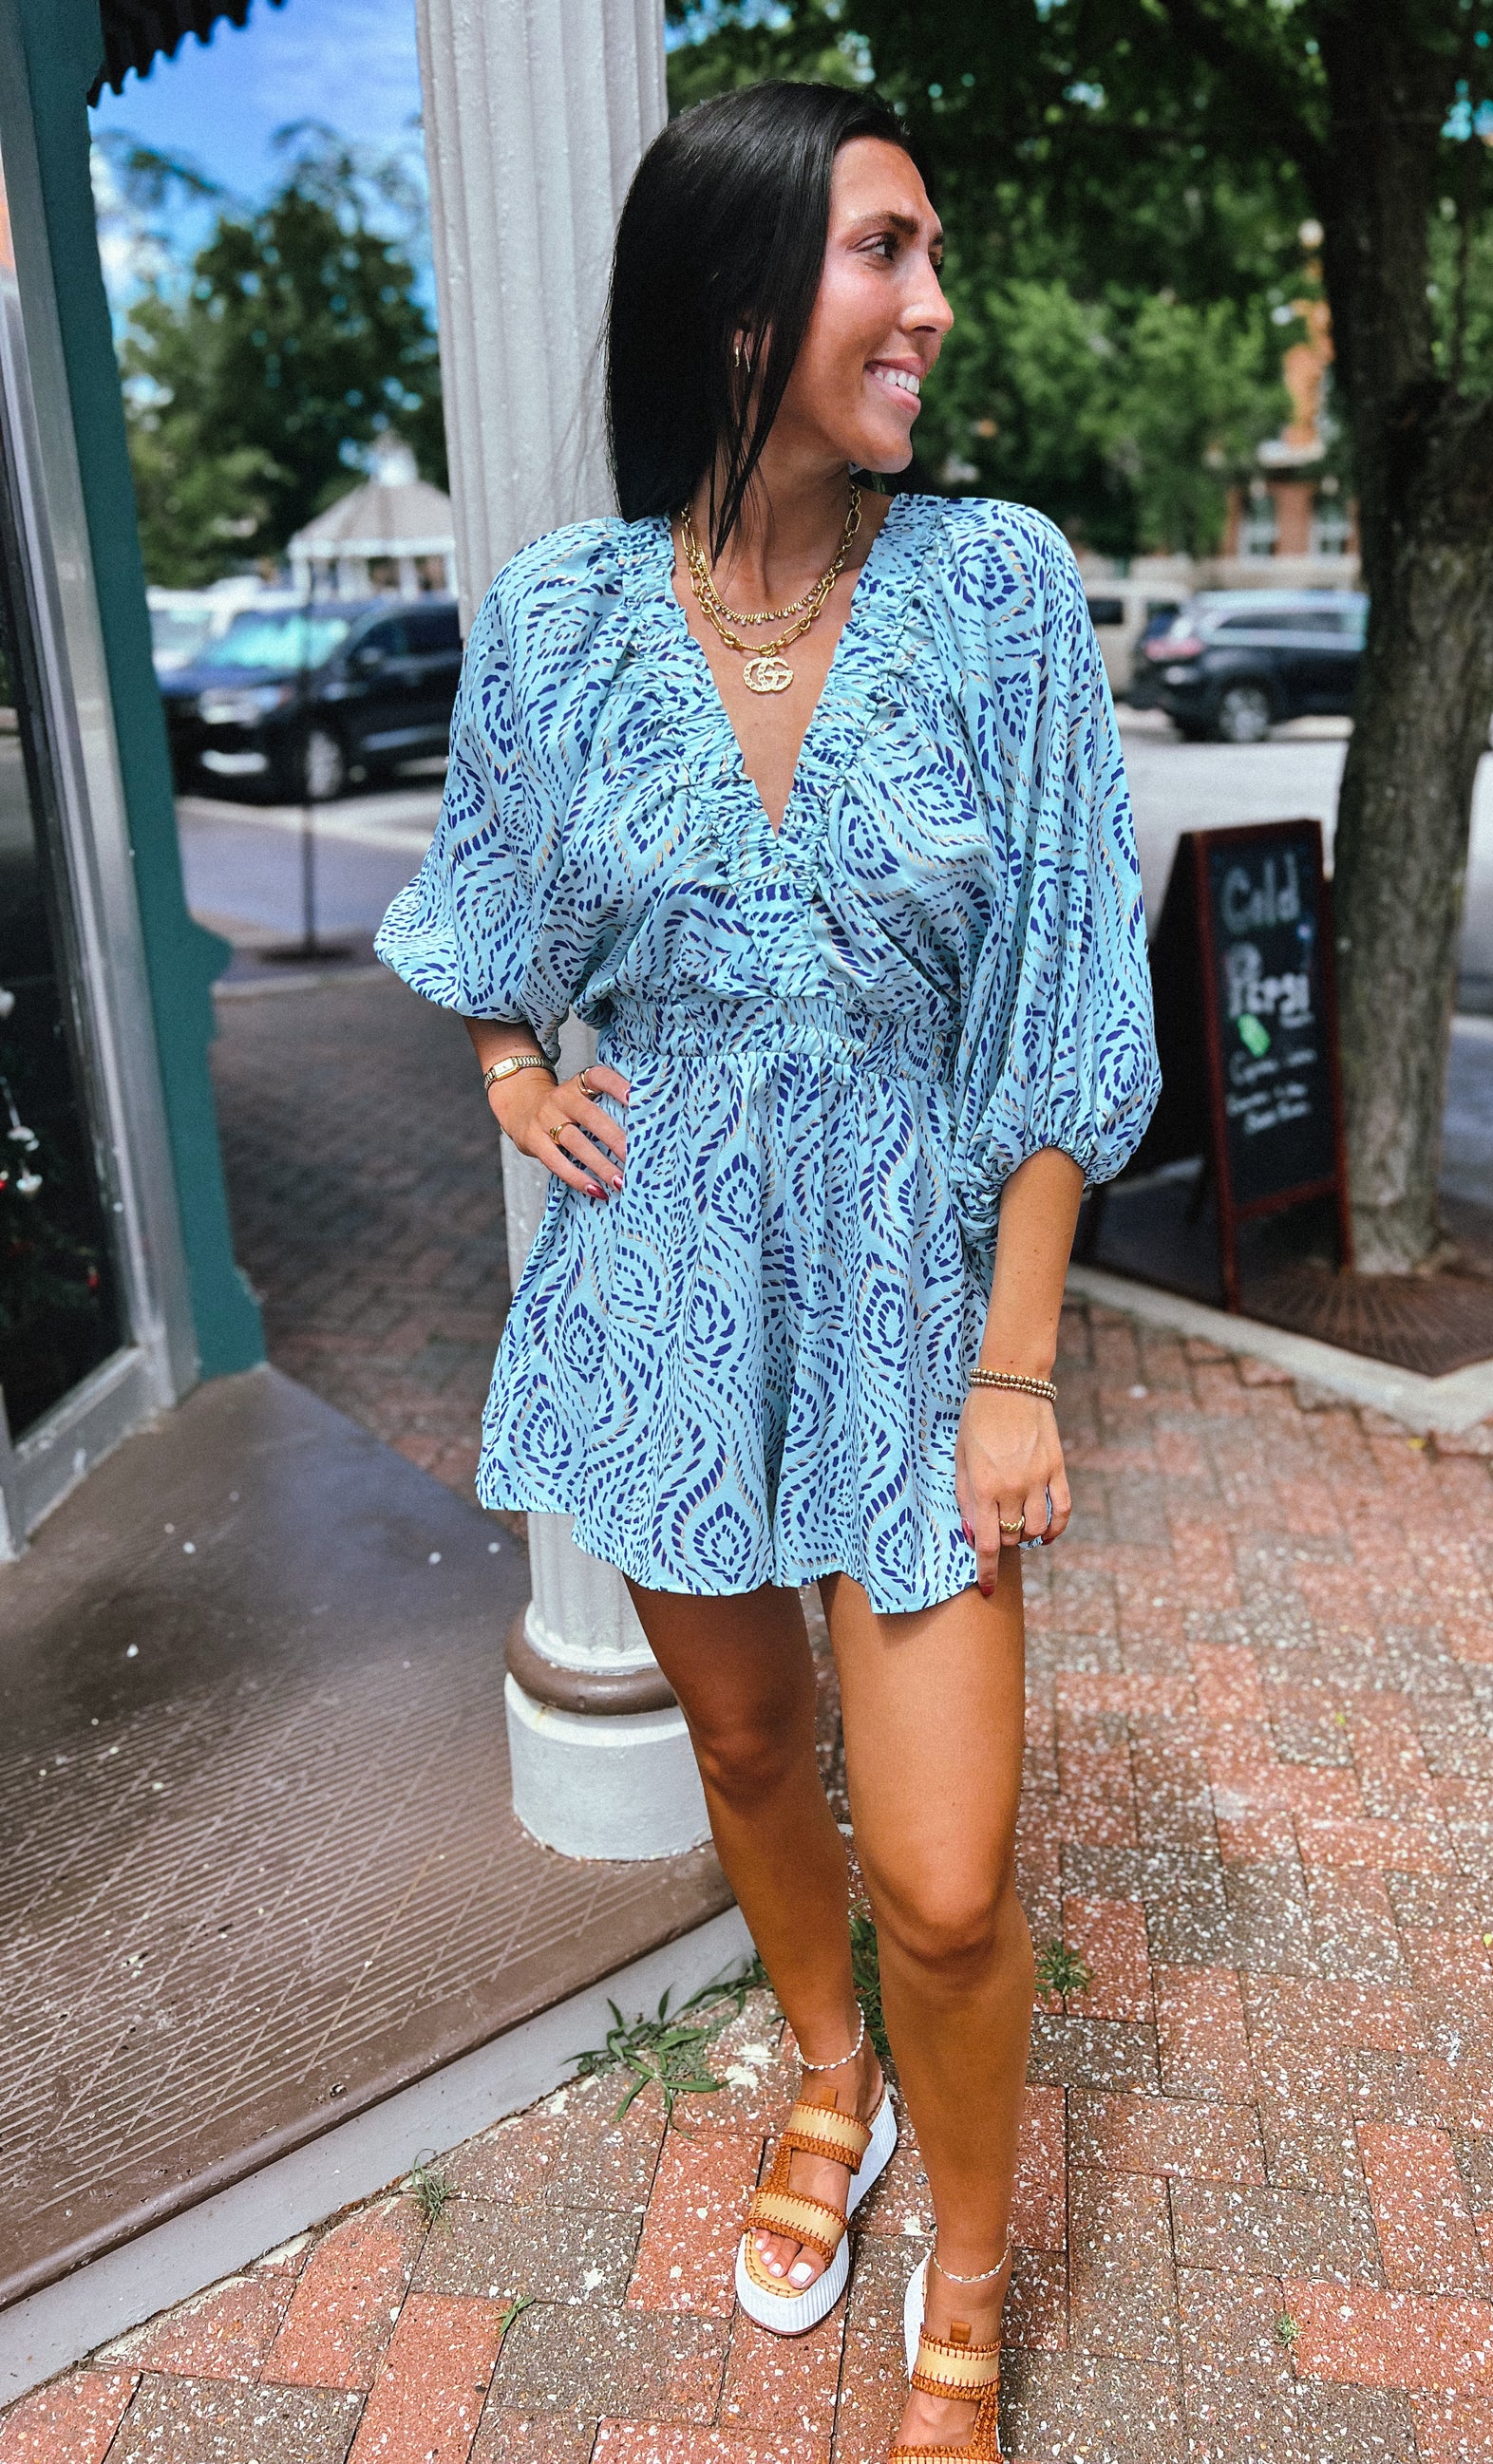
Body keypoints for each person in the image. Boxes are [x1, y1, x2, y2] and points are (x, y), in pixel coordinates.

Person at [377, 81, 1159, 2461]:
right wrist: (514, 1063)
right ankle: (826, 2074)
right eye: (883, 255)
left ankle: (980, 2253)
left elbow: (1064, 1003)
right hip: (655, 1294)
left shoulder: (1000, 588)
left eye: (930, 255)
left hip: (926, 1310)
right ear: (736, 301)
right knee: (733, 1736)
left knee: (944, 1872)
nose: (934, 304)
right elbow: (484, 899)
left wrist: (1017, 1364)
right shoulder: (555, 615)